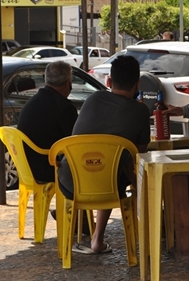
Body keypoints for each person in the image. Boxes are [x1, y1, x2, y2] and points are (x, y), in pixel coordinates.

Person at [57, 55, 150, 254]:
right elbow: (139, 155)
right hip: (108, 184)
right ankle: (98, 238)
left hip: (69, 181)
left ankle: (92, 239)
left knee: (104, 166)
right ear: (138, 83)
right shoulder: (141, 111)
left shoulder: (93, 99)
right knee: (112, 170)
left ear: (109, 80)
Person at [16, 61, 77, 183]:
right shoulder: (64, 107)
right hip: (48, 168)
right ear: (68, 83)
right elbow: (74, 141)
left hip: (26, 166)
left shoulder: (33, 101)